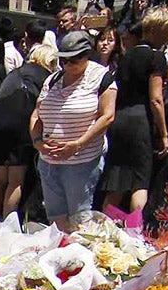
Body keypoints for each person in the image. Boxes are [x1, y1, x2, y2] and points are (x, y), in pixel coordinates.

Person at [28, 28, 116, 230]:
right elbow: (36, 115)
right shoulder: (53, 79)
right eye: (64, 60)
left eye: (73, 60)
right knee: (56, 219)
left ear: (86, 56)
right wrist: (37, 142)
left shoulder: (101, 77)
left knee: (79, 220)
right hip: (48, 161)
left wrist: (77, 144)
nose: (67, 64)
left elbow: (107, 116)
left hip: (81, 162)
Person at [101, 12, 168, 227]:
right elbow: (156, 99)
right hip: (141, 121)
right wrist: (164, 134)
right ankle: (135, 232)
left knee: (117, 180)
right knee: (140, 182)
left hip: (119, 120)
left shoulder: (125, 56)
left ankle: (104, 230)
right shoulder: (156, 57)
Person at [0, 41, 51, 220]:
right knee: (15, 180)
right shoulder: (46, 76)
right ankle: (7, 223)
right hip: (20, 124)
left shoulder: (15, 72)